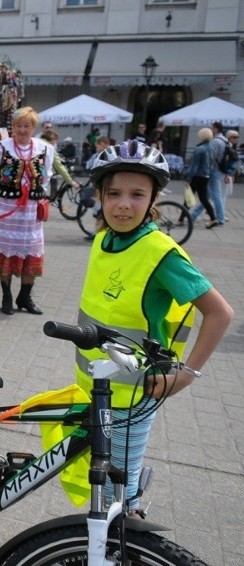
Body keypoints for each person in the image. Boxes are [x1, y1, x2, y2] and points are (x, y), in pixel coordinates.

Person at [80, 140, 232, 513]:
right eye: (113, 193)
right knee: (101, 488)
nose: (123, 204)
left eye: (137, 194)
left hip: (132, 399)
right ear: (99, 195)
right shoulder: (104, 240)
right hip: (95, 390)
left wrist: (188, 372)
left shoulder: (161, 254)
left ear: (154, 199)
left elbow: (220, 313)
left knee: (119, 498)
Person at [0, 106, 54, 315]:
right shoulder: (0, 148)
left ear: (33, 127)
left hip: (31, 212)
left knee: (32, 251)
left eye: (26, 126)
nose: (22, 130)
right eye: (18, 125)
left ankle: (25, 296)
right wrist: (4, 196)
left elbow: (46, 177)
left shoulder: (44, 148)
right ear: (13, 127)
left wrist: (35, 195)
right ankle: (7, 296)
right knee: (6, 252)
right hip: (6, 209)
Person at [185, 128, 217, 228]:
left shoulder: (199, 149)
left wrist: (188, 177)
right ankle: (213, 218)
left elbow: (194, 166)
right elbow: (212, 164)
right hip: (206, 176)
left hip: (197, 176)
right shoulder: (212, 149)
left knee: (188, 197)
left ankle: (181, 218)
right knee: (204, 199)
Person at [225, 130, 239, 199]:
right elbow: (226, 162)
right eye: (234, 137)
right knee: (224, 194)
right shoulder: (227, 147)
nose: (236, 138)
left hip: (230, 173)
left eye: (237, 137)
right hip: (227, 174)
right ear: (229, 137)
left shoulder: (231, 147)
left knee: (228, 193)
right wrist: (227, 174)